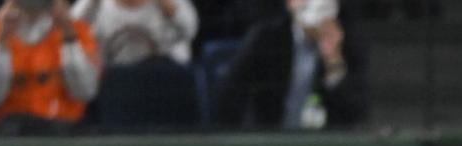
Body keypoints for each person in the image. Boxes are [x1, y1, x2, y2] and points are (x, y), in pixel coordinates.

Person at [210, 0, 365, 129]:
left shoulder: (346, 44)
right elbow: (230, 95)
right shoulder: (266, 38)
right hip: (269, 144)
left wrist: (333, 63)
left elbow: (356, 113)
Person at [0, 0, 98, 129]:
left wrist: (67, 32)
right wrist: (1, 39)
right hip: (6, 132)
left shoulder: (77, 30)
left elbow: (84, 92)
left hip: (63, 130)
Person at [76, 0, 194, 66]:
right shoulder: (96, 5)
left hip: (166, 84)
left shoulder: (170, 3)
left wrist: (168, 6)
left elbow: (189, 29)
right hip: (115, 86)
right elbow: (69, 33)